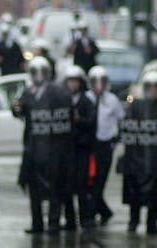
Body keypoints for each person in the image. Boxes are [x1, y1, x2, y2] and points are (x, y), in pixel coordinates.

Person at [13, 56, 73, 234]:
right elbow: (20, 111)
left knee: (55, 187)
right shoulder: (27, 92)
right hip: (33, 148)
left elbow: (67, 115)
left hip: (54, 148)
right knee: (34, 188)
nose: (39, 76)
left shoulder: (58, 92)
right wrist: (16, 107)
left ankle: (53, 222)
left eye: (42, 72)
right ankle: (37, 223)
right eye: (35, 72)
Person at [120, 71, 157, 234]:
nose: (152, 91)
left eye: (156, 87)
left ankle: (152, 224)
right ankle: (133, 221)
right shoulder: (135, 106)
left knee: (154, 194)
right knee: (134, 191)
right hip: (135, 157)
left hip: (155, 158)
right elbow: (126, 128)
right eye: (149, 87)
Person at [86, 65, 124, 227]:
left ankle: (91, 212)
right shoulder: (86, 99)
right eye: (95, 82)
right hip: (89, 145)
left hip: (106, 144)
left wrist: (116, 139)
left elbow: (121, 118)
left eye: (102, 82)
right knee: (90, 181)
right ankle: (101, 210)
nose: (98, 86)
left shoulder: (112, 100)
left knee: (101, 180)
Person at [63, 65, 96, 231]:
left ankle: (85, 218)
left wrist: (79, 119)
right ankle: (69, 220)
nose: (72, 85)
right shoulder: (63, 99)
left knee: (82, 185)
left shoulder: (87, 101)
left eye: (75, 81)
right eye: (70, 81)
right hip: (67, 149)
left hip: (82, 148)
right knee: (67, 185)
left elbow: (91, 122)